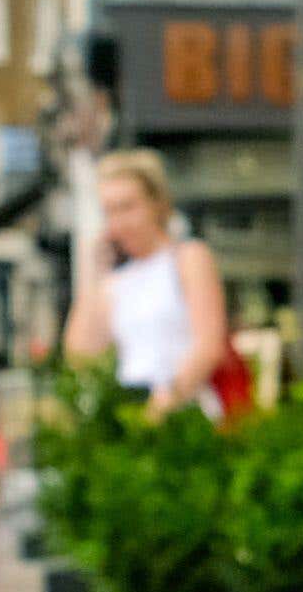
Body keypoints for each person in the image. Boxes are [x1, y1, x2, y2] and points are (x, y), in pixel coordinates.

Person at [62, 149, 229, 413]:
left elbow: (208, 346)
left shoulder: (187, 258)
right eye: (110, 211)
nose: (119, 222)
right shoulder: (117, 282)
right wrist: (93, 276)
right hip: (133, 404)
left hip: (183, 407)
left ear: (156, 203)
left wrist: (164, 403)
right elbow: (80, 356)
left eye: (127, 207)